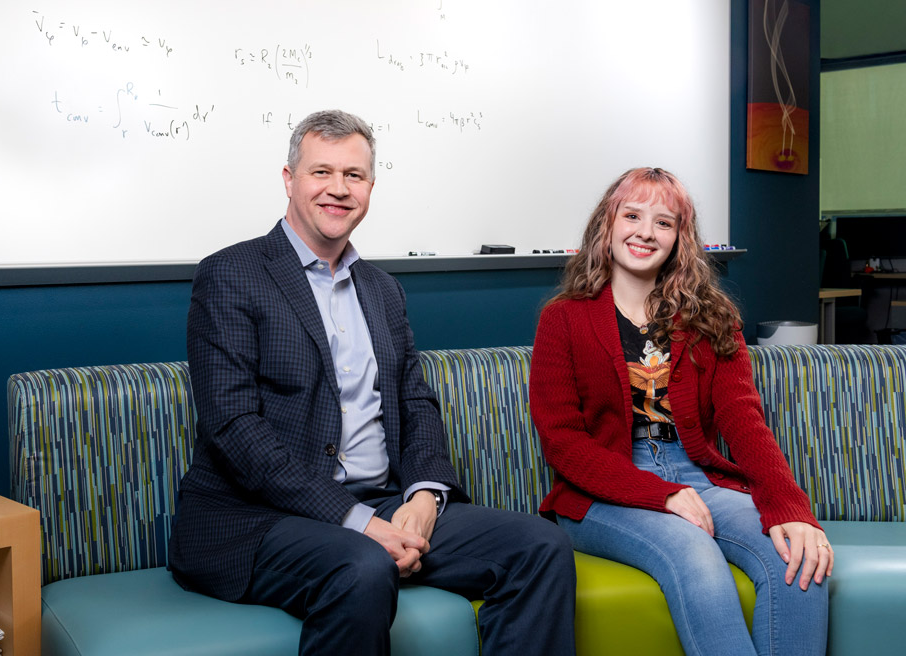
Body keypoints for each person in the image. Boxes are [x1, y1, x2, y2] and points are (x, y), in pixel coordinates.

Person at [168, 109, 576, 656]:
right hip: (256, 521)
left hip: (382, 503)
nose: (338, 189)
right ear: (289, 180)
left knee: (540, 545)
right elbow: (233, 427)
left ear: (370, 187)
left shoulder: (383, 290)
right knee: (361, 566)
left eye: (354, 176)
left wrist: (426, 495)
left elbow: (417, 402)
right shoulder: (231, 275)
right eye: (321, 172)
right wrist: (358, 523)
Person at [530, 167, 831, 656]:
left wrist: (791, 507)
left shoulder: (712, 316)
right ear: (607, 224)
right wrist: (661, 494)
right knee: (695, 554)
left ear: (679, 238)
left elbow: (743, 417)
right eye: (632, 215)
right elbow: (562, 442)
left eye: (663, 222)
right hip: (603, 493)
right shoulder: (563, 318)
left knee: (798, 557)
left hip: (701, 480)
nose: (645, 232)